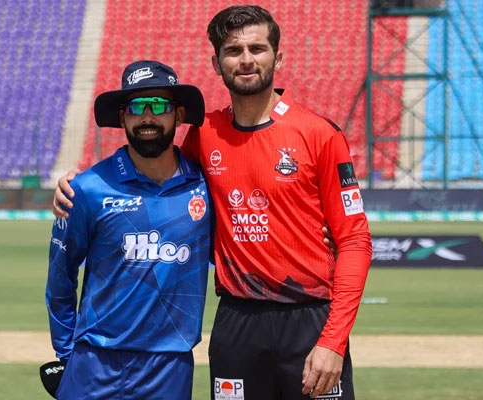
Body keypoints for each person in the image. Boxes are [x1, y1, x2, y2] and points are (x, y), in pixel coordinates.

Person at [53, 6, 372, 399]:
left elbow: (355, 242)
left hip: (310, 320)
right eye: (233, 50)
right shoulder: (205, 136)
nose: (246, 59)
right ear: (216, 63)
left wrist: (334, 341)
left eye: (257, 48)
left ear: (278, 57)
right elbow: (154, 171)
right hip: (236, 322)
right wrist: (80, 184)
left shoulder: (320, 134)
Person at [46, 60, 213, 400]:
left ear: (179, 115)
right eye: (137, 107)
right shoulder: (88, 189)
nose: (148, 117)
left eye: (159, 106)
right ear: (123, 117)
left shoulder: (207, 189)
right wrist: (66, 354)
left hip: (169, 368)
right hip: (94, 364)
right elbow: (60, 277)